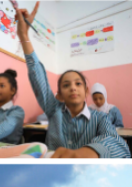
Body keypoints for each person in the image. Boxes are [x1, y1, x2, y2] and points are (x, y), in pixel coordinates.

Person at [16, 3, 129, 158]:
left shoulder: (100, 118)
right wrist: (24, 36)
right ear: (60, 94)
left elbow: (119, 145)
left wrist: (87, 153)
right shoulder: (54, 110)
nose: (73, 88)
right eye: (66, 85)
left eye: (78, 83)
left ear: (86, 91)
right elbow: (38, 77)